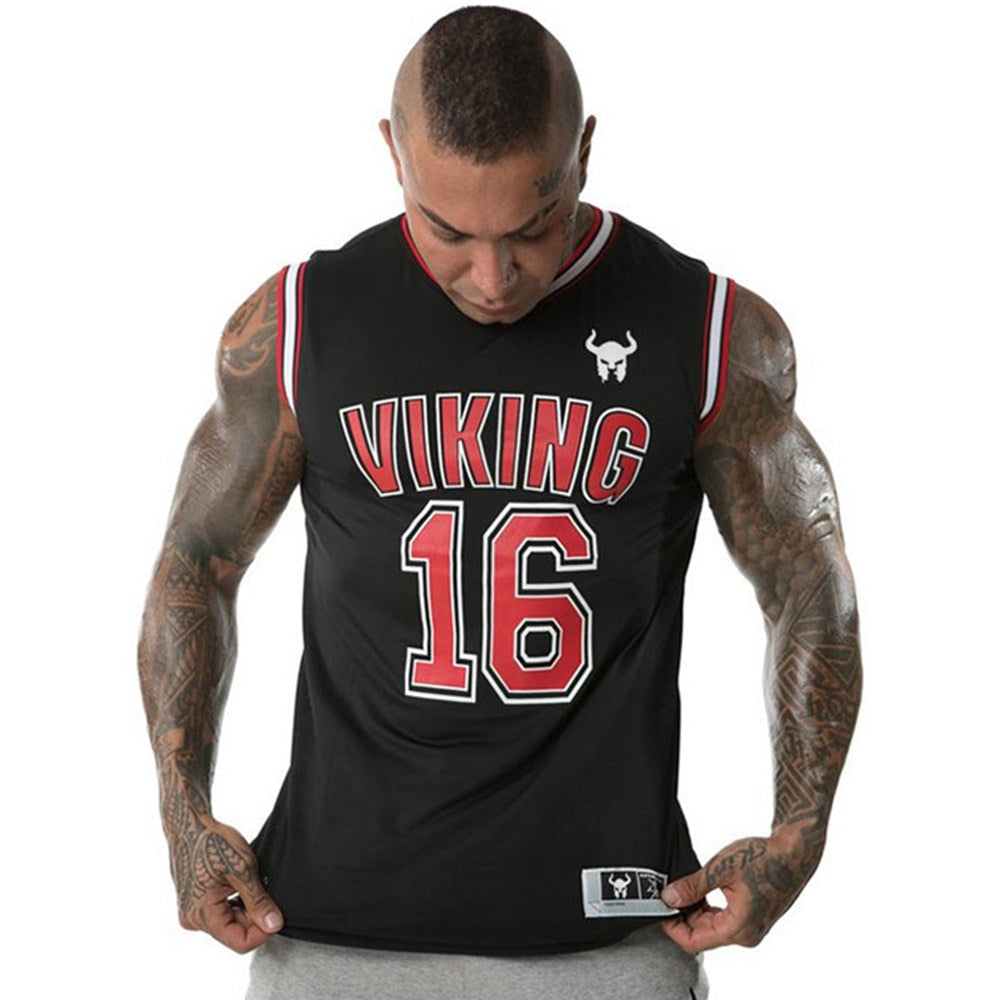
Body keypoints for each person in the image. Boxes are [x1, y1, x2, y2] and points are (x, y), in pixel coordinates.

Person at [138, 7, 861, 998]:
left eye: (532, 228)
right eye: (448, 231)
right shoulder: (301, 325)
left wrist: (798, 832)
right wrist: (182, 813)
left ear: (583, 154)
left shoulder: (705, 332)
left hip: (609, 934)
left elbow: (807, 576)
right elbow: (197, 557)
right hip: (329, 928)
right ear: (393, 154)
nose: (492, 278)